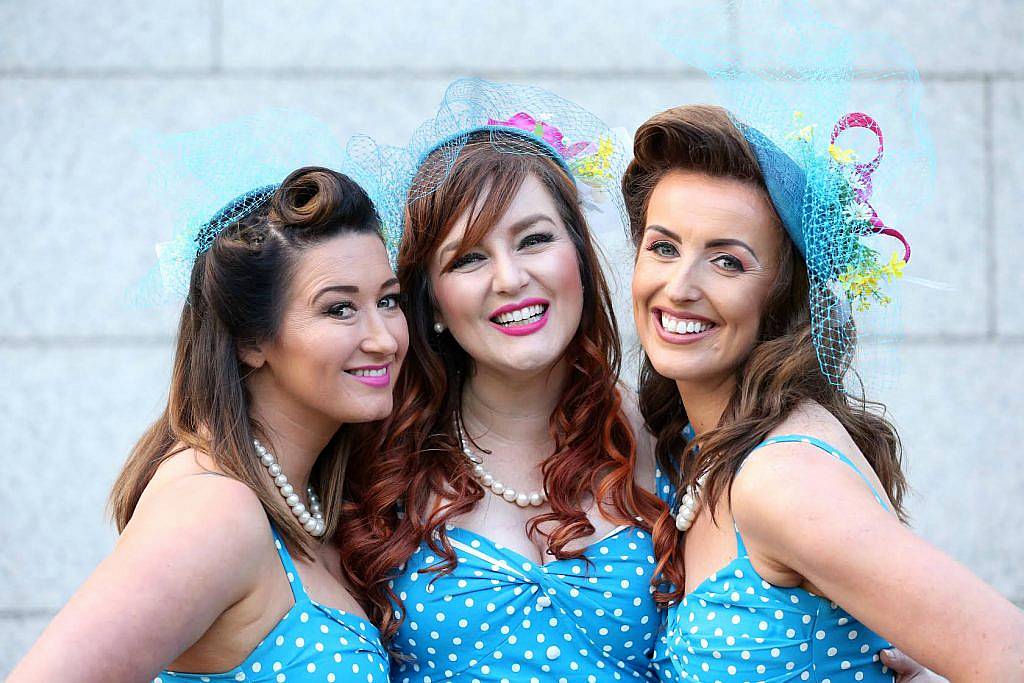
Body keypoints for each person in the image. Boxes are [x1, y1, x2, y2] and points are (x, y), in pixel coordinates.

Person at [625, 103, 1024, 681]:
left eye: (727, 262)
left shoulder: (784, 480)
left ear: (784, 296)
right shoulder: (714, 451)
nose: (680, 286)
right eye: (663, 247)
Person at [10, 166, 407, 682]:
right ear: (250, 340)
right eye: (339, 309)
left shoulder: (306, 499)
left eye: (388, 301)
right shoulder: (213, 510)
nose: (384, 338)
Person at [338, 78, 668, 682]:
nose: (510, 278)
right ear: (432, 302)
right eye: (468, 258)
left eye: (535, 240)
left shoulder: (672, 437)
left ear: (579, 258)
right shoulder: (371, 463)